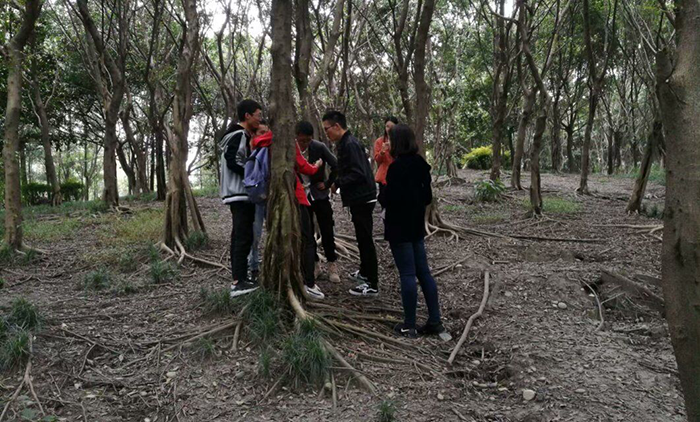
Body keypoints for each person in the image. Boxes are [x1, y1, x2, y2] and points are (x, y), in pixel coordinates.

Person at [378, 124, 444, 338]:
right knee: (423, 272)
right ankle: (435, 321)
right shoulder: (421, 164)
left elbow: (388, 199)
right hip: (416, 226)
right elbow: (427, 197)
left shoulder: (396, 168)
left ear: (398, 142)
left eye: (390, 140)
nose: (388, 143)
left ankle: (410, 325)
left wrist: (383, 192)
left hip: (399, 227)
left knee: (407, 273)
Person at [250, 127, 326, 299]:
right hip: (296, 197)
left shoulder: (258, 144)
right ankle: (309, 283)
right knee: (307, 240)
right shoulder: (286, 140)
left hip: (274, 199)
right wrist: (316, 166)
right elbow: (304, 167)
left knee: (284, 237)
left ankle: (283, 278)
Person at [322, 110, 379, 297]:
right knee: (362, 238)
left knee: (365, 239)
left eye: (327, 129)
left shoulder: (350, 144)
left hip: (363, 197)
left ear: (337, 126)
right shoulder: (346, 143)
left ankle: (372, 283)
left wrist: (338, 183)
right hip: (359, 197)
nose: (326, 133)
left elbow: (358, 173)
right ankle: (364, 271)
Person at [220, 99, 262, 297]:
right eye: (258, 115)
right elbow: (233, 161)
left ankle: (240, 277)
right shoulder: (239, 135)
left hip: (237, 193)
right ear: (247, 116)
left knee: (240, 235)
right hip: (239, 193)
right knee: (243, 236)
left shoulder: (236, 134)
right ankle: (238, 282)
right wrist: (253, 174)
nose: (259, 119)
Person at [295, 121, 341, 284]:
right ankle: (315, 265)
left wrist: (328, 184)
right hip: (302, 196)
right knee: (307, 233)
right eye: (302, 140)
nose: (305, 144)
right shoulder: (291, 148)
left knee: (327, 229)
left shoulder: (319, 147)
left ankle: (332, 265)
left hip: (319, 195)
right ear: (296, 137)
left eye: (308, 140)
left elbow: (336, 165)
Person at [247, 121, 270, 281]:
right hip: (255, 198)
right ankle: (254, 267)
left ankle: (271, 264)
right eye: (261, 133)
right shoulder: (249, 152)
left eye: (266, 133)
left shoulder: (269, 150)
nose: (264, 136)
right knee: (255, 235)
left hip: (271, 197)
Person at [373, 116, 399, 200]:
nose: (389, 129)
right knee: (384, 200)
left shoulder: (400, 141)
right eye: (387, 126)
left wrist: (393, 149)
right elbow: (377, 159)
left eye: (392, 127)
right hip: (384, 176)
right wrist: (382, 151)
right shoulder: (379, 141)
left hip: (398, 175)